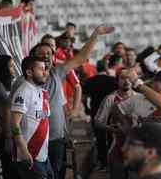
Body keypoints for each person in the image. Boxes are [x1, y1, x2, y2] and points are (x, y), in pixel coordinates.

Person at [11, 25, 114, 179]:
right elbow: (13, 116)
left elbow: (81, 58)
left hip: (56, 138)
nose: (46, 56)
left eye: (49, 53)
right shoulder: (22, 84)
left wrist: (96, 34)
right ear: (33, 58)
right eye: (42, 54)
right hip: (32, 143)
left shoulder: (57, 72)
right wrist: (16, 141)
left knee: (57, 174)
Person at [11, 56, 53, 179]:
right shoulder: (24, 91)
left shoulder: (40, 91)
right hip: (29, 154)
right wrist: (23, 150)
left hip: (42, 155)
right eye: (41, 69)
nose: (45, 72)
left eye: (45, 69)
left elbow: (40, 118)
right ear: (29, 72)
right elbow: (14, 123)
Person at [94, 69, 137, 178]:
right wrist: (113, 130)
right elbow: (98, 122)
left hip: (137, 150)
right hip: (117, 148)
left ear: (134, 80)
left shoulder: (139, 98)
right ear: (117, 81)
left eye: (129, 78)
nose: (126, 81)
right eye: (123, 78)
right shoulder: (110, 99)